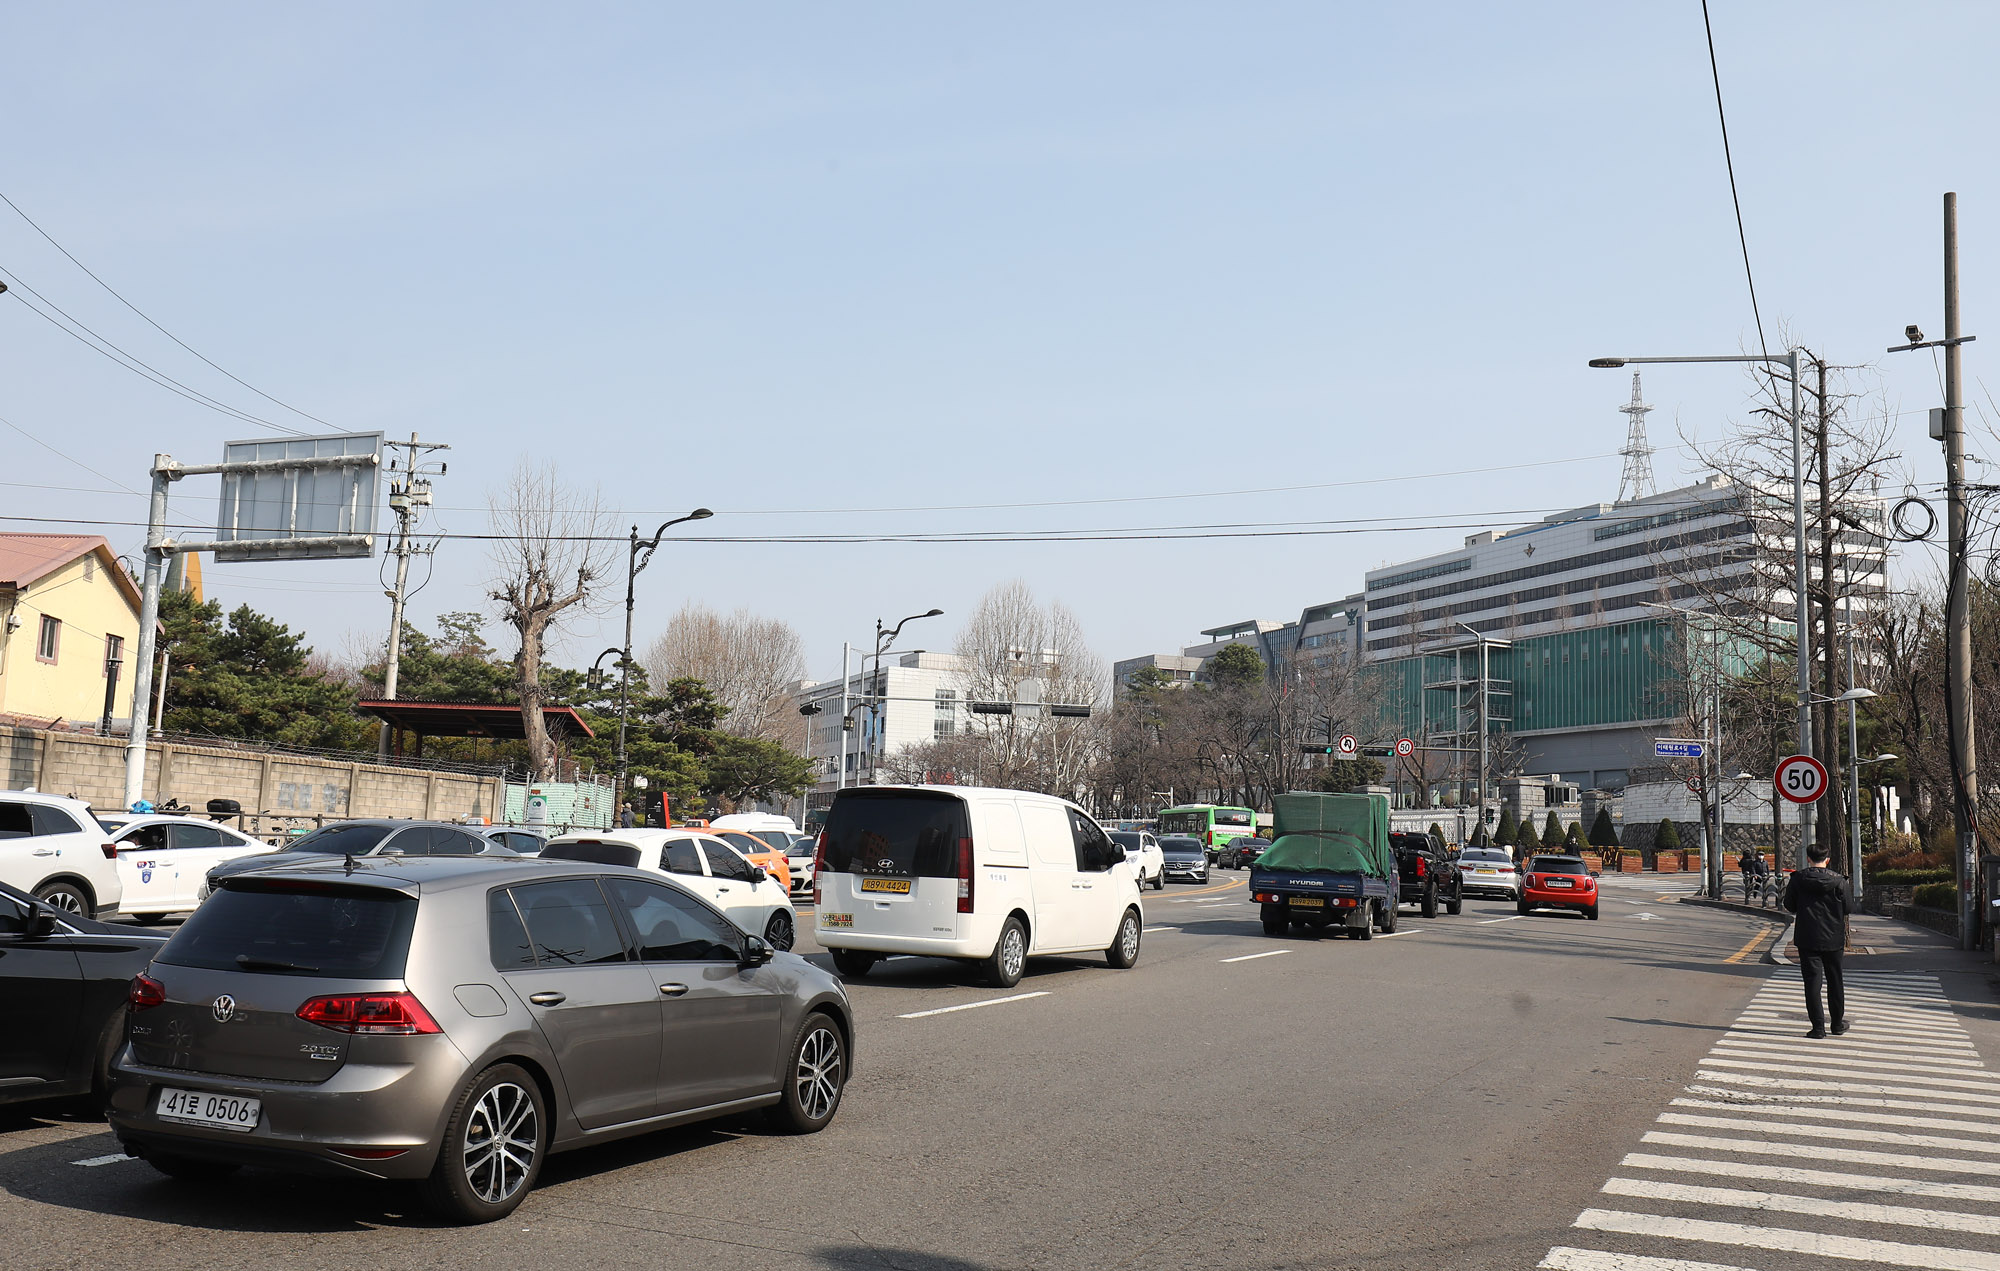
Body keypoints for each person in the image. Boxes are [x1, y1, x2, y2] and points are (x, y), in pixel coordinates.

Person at [1783, 843, 1854, 1039]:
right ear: (1827, 860)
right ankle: (1838, 1024)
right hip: (1833, 937)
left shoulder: (1798, 879)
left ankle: (1818, 1027)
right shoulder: (1839, 881)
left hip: (1807, 937)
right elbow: (1848, 907)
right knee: (1835, 980)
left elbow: (1789, 905)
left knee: (1812, 983)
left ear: (1808, 859)